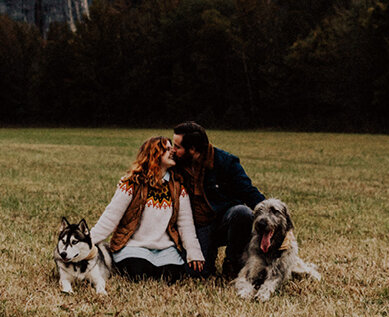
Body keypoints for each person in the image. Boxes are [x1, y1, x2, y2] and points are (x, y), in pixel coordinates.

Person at [90, 135, 204, 282]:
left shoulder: (177, 187)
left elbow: (186, 225)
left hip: (165, 249)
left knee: (172, 276)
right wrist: (87, 242)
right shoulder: (131, 183)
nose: (173, 152)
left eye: (172, 148)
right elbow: (110, 218)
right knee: (138, 272)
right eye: (167, 149)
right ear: (154, 154)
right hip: (134, 247)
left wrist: (194, 253)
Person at [172, 121, 265, 279]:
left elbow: (249, 192)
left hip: (222, 221)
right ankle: (208, 253)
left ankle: (233, 260)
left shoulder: (226, 162)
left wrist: (273, 216)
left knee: (242, 213)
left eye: (177, 147)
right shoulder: (175, 163)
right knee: (196, 274)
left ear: (193, 149)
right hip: (195, 228)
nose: (173, 150)